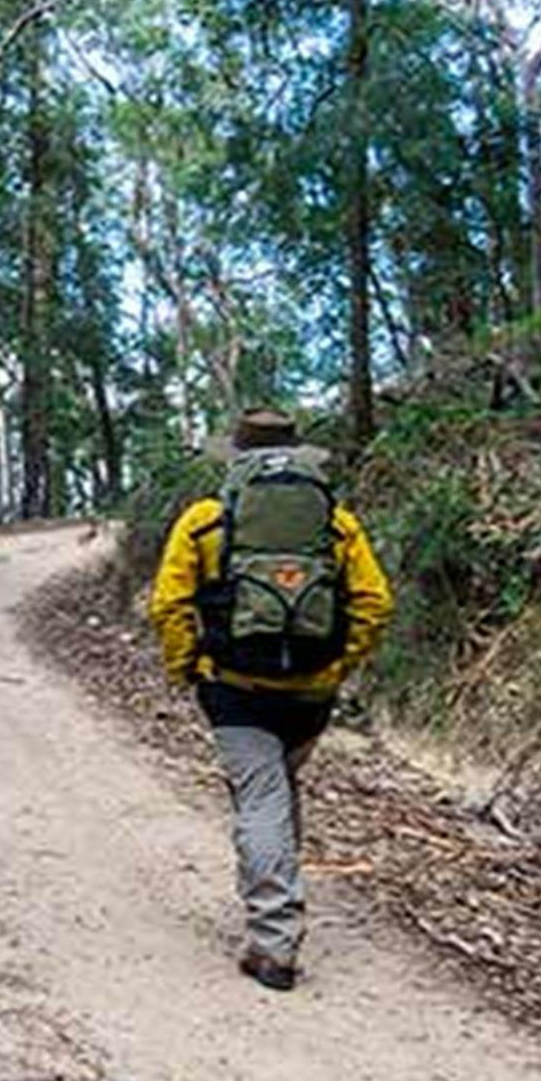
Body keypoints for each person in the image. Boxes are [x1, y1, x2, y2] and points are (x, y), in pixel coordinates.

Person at [146, 406, 393, 991]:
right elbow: (373, 603)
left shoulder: (207, 521)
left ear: (234, 458)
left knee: (260, 801)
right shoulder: (335, 524)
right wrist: (337, 663)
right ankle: (276, 900)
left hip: (234, 688)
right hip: (312, 693)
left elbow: (170, 604)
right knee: (276, 794)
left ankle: (273, 942)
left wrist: (187, 668)